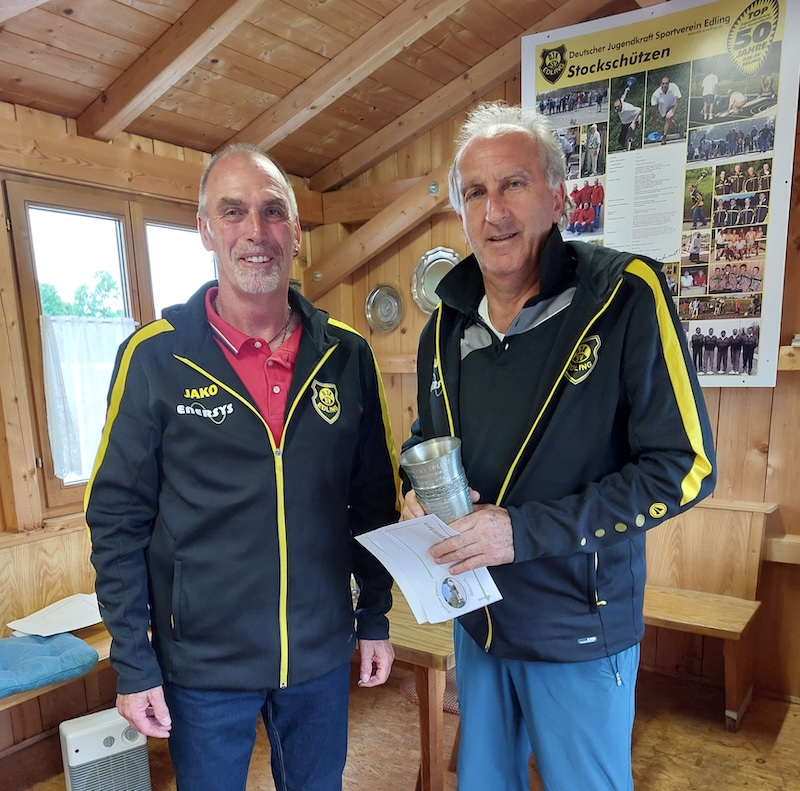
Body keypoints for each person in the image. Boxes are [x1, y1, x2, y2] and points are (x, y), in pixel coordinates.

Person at [400, 102, 716, 791]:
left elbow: (685, 467)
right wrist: (412, 487)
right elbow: (427, 437)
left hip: (578, 628)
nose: (494, 211)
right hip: (477, 622)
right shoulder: (444, 326)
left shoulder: (624, 297)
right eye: (475, 192)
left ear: (558, 196)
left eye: (513, 184)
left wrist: (522, 532)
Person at [85, 144, 400, 791]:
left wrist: (374, 615)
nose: (255, 230)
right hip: (203, 666)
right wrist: (134, 661)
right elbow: (116, 518)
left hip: (318, 655)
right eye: (233, 212)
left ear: (297, 231)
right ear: (205, 229)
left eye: (272, 211)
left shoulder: (348, 356)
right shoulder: (155, 358)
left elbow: (374, 501)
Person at [650, 74, 682, 142]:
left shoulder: (674, 87)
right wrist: (654, 120)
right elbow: (654, 109)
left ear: (669, 84)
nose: (665, 85)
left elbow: (678, 100)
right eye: (663, 83)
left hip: (673, 105)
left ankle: (664, 137)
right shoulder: (655, 95)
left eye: (666, 83)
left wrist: (673, 111)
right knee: (669, 121)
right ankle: (678, 126)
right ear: (660, 84)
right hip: (663, 110)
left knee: (668, 117)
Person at [613, 84, 642, 151]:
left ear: (621, 105)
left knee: (628, 138)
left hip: (633, 121)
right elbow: (623, 97)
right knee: (621, 140)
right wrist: (626, 91)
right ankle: (632, 147)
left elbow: (639, 110)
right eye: (615, 107)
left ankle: (628, 148)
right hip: (625, 123)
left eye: (618, 107)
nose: (617, 108)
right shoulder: (620, 103)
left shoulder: (627, 108)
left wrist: (633, 122)